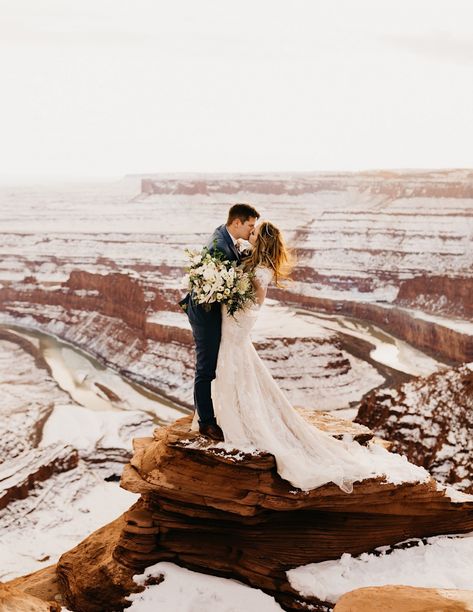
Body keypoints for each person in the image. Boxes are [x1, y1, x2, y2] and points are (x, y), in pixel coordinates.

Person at [205, 220, 429, 493]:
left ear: (260, 240)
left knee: (233, 365)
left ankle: (237, 420)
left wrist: (234, 302)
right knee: (232, 367)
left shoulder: (261, 270)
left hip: (238, 324)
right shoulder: (250, 258)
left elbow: (255, 304)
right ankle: (225, 414)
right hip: (232, 322)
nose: (247, 235)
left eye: (252, 233)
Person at [180, 203, 260, 441]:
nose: (251, 231)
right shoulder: (218, 246)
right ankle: (206, 422)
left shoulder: (224, 237)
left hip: (213, 311)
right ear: (237, 222)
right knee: (205, 368)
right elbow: (218, 280)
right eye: (250, 226)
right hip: (205, 315)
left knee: (211, 366)